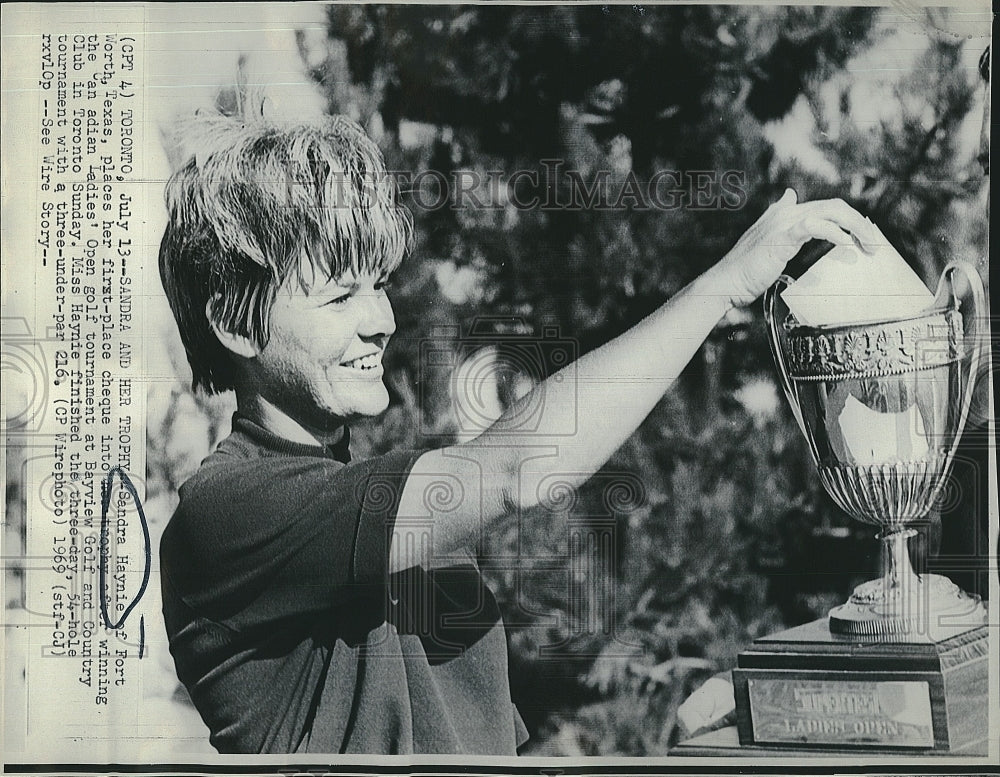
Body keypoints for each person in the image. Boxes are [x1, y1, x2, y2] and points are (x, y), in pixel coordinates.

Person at [157, 107, 879, 755]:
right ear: (232, 322)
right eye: (340, 293)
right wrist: (722, 286)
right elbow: (520, 469)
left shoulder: (377, 509)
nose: (380, 319)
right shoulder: (228, 513)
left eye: (377, 283)